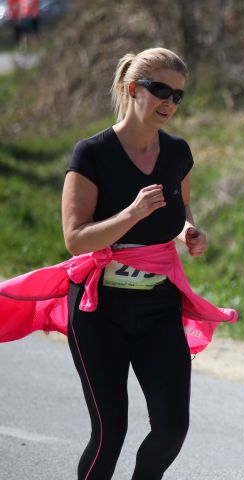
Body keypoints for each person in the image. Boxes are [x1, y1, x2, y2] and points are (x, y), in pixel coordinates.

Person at [59, 47, 227, 479]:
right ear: (133, 89)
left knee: (172, 427)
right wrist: (131, 214)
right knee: (110, 431)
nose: (169, 103)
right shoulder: (92, 154)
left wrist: (190, 232)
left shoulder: (177, 153)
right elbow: (76, 239)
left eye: (178, 96)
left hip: (158, 308)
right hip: (99, 312)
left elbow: (179, 212)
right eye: (160, 91)